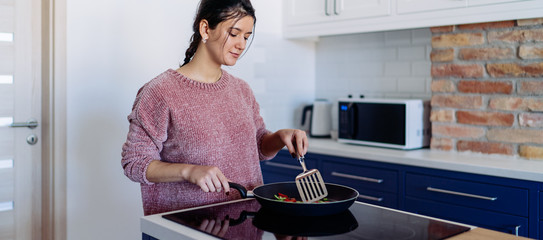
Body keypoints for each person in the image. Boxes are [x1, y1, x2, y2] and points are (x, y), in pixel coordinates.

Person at [121, 0, 308, 216]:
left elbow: (256, 148)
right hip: (186, 226)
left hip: (246, 222)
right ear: (205, 29)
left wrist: (279, 138)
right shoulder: (160, 92)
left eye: (246, 37)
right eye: (234, 33)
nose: (241, 44)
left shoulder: (241, 89)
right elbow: (134, 163)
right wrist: (188, 171)